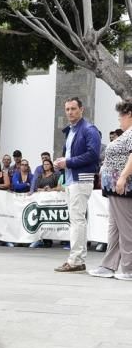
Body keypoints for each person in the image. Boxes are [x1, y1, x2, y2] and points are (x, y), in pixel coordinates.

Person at [53, 97, 101, 273]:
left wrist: (68, 162)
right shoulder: (71, 131)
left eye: (73, 108)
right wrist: (62, 163)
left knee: (77, 221)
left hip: (81, 179)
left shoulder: (89, 129)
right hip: (72, 179)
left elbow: (93, 155)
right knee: (77, 221)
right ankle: (78, 259)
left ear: (82, 109)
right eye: (67, 109)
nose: (70, 112)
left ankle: (75, 260)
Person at [89, 101, 132, 281]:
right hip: (113, 186)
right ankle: (108, 265)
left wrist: (122, 177)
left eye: (120, 116)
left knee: (126, 228)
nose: (119, 120)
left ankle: (129, 268)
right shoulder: (127, 134)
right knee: (114, 228)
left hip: (121, 185)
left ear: (129, 114)